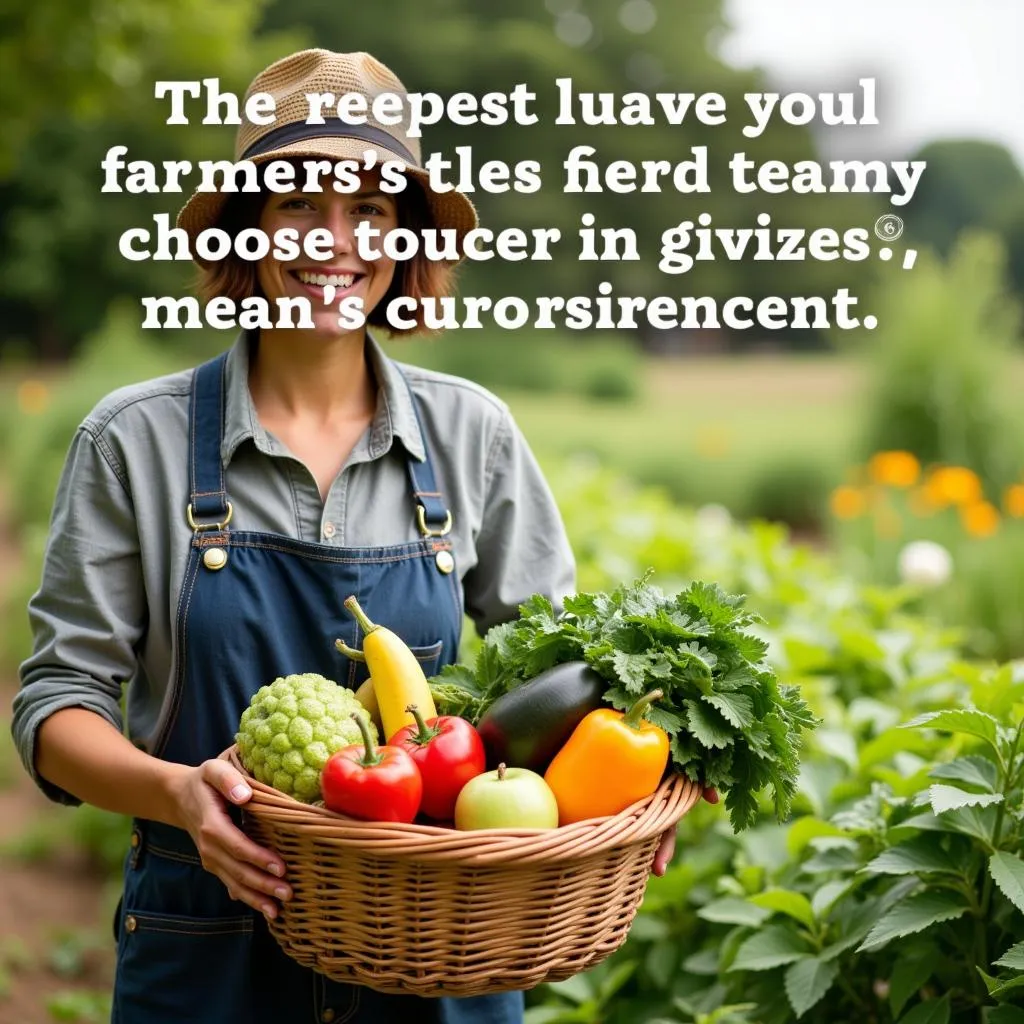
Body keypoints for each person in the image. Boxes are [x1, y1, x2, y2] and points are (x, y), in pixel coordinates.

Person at [10, 48, 684, 1024]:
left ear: (404, 237)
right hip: (209, 944)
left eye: (369, 211)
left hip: (434, 946)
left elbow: (573, 671)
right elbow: (57, 703)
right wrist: (177, 794)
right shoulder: (136, 440)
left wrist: (650, 780)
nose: (336, 241)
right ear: (248, 226)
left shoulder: (471, 435)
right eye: (298, 206)